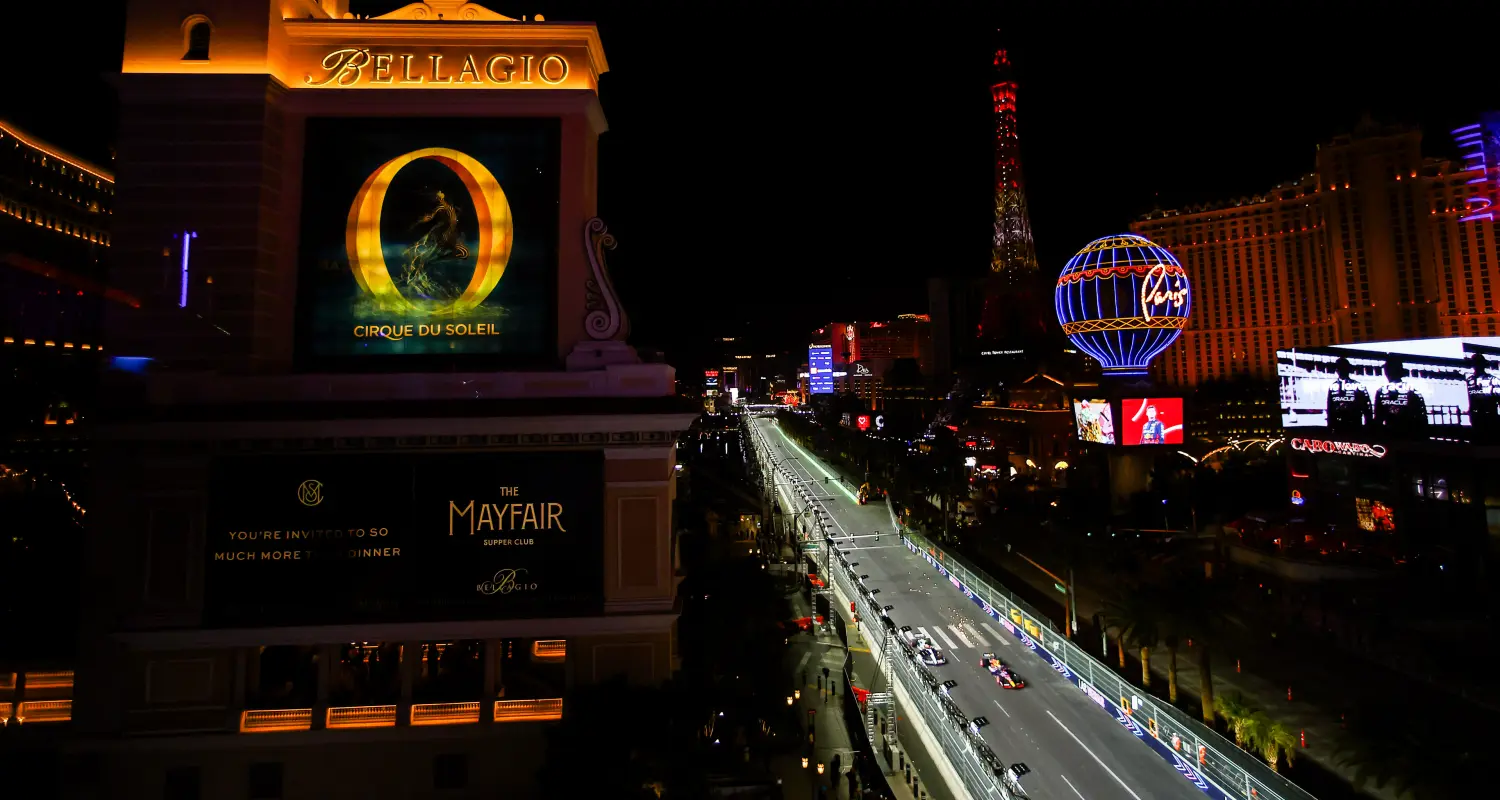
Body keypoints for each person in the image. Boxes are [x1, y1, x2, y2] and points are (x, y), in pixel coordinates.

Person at [1373, 356, 1429, 433]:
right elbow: (1422, 415)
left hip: (1390, 434)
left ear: (1387, 372)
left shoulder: (1381, 391)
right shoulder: (1413, 390)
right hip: (1410, 433)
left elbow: (1378, 418)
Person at [1325, 357, 1373, 432]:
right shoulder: (1358, 386)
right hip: (1342, 426)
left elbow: (1367, 408)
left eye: (1342, 368)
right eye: (1339, 367)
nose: (1340, 370)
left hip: (1352, 426)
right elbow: (1330, 409)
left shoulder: (1333, 387)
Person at [1467, 352, 1500, 436]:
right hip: (1476, 418)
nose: (1476, 366)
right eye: (1475, 363)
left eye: (1478, 363)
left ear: (1483, 365)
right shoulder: (1470, 380)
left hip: (1490, 417)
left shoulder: (1493, 380)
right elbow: (1470, 399)